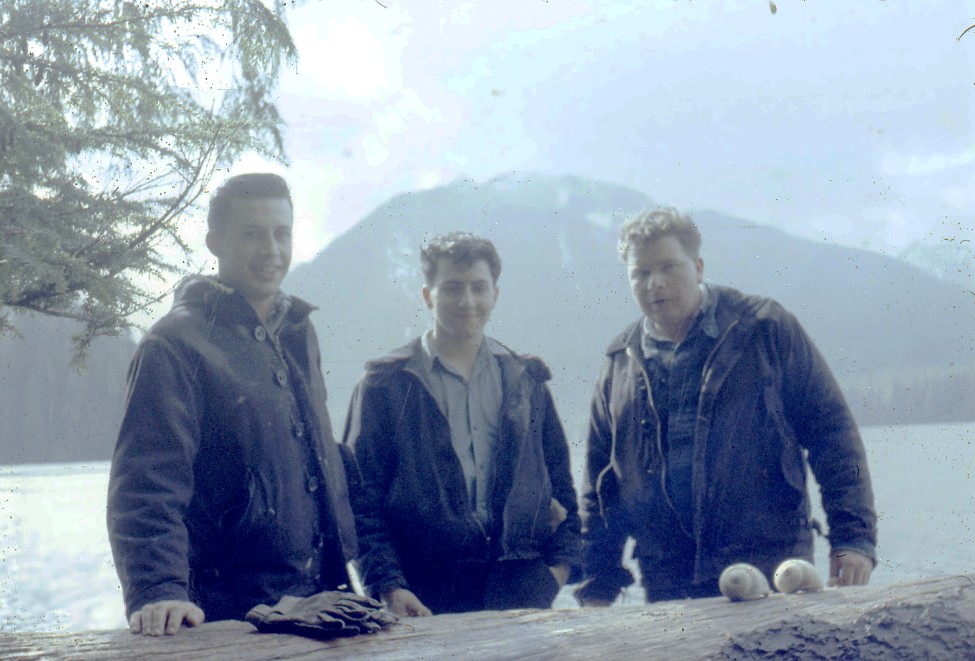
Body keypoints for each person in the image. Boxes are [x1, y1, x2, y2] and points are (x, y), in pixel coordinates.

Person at [576, 208, 877, 605]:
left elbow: (832, 435)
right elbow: (600, 484)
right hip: (667, 577)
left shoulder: (764, 329)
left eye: (669, 266)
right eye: (641, 273)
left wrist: (853, 538)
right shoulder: (619, 362)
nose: (656, 283)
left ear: (698, 267)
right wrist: (598, 577)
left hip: (770, 567)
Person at [107, 173, 358, 635]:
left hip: (317, 605)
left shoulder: (298, 332)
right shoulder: (174, 344)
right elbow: (146, 484)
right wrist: (159, 589)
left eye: (282, 233)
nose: (272, 250)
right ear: (215, 242)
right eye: (252, 234)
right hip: (228, 614)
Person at [344, 232, 581, 616]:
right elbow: (359, 501)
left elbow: (562, 488)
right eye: (452, 288)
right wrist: (387, 586)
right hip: (425, 597)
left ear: (495, 295)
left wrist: (556, 571)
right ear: (427, 295)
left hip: (521, 593)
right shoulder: (385, 386)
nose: (467, 301)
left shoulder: (526, 381)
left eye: (478, 288)